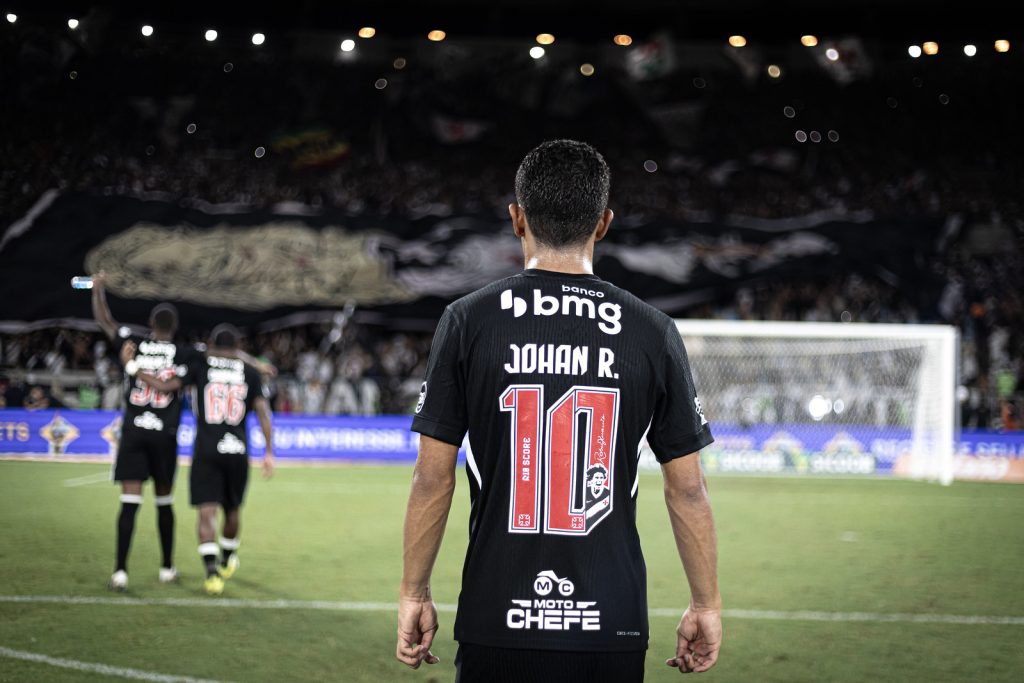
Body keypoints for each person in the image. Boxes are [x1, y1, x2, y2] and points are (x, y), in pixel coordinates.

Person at [396, 140, 722, 681]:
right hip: (610, 620)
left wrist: (414, 592)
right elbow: (688, 489)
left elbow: (432, 478)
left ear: (517, 219)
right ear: (603, 223)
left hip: (496, 615)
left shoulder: (468, 320)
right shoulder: (652, 330)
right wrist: (705, 604)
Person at [93, 273, 274, 592]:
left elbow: (105, 321)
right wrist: (255, 365)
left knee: (130, 503)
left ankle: (120, 571)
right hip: (166, 436)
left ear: (151, 323)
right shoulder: (186, 353)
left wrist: (98, 290)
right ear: (175, 327)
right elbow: (223, 354)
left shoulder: (135, 344)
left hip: (134, 433)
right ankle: (167, 567)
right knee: (166, 503)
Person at [126, 323, 274, 595]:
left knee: (207, 510)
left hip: (207, 449)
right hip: (237, 450)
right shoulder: (251, 372)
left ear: (212, 344)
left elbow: (166, 386)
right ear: (237, 347)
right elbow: (264, 413)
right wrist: (269, 453)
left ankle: (211, 572)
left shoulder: (201, 365)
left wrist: (134, 368)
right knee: (233, 509)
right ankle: (227, 558)